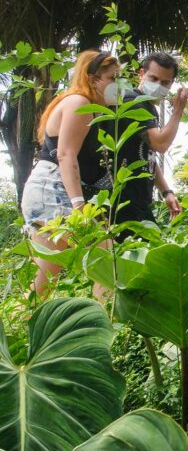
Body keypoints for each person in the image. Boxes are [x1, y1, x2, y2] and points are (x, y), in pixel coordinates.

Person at [21, 50, 120, 297]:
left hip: (50, 190)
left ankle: (21, 330)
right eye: (112, 78)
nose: (118, 85)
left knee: (44, 281)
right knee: (107, 258)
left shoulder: (90, 107)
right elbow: (65, 155)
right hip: (52, 190)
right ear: (92, 79)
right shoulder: (79, 103)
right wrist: (79, 205)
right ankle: (106, 327)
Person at [113, 51, 188, 227]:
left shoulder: (149, 108)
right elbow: (160, 144)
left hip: (139, 199)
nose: (158, 86)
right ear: (141, 74)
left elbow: (149, 156)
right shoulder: (131, 100)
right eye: (153, 79)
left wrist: (166, 192)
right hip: (122, 199)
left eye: (165, 82)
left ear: (172, 84)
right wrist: (178, 110)